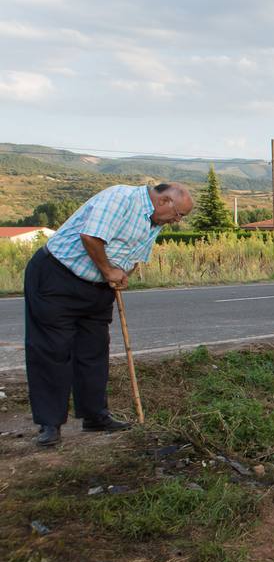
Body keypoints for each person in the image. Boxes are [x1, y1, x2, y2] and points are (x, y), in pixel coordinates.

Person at [24, 182, 194, 446]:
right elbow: (91, 237)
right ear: (164, 202)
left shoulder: (155, 221)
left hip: (98, 287)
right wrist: (108, 270)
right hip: (57, 276)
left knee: (93, 350)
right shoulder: (121, 198)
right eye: (179, 214)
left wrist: (123, 274)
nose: (178, 221)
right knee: (52, 350)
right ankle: (50, 424)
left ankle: (95, 416)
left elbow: (135, 256)